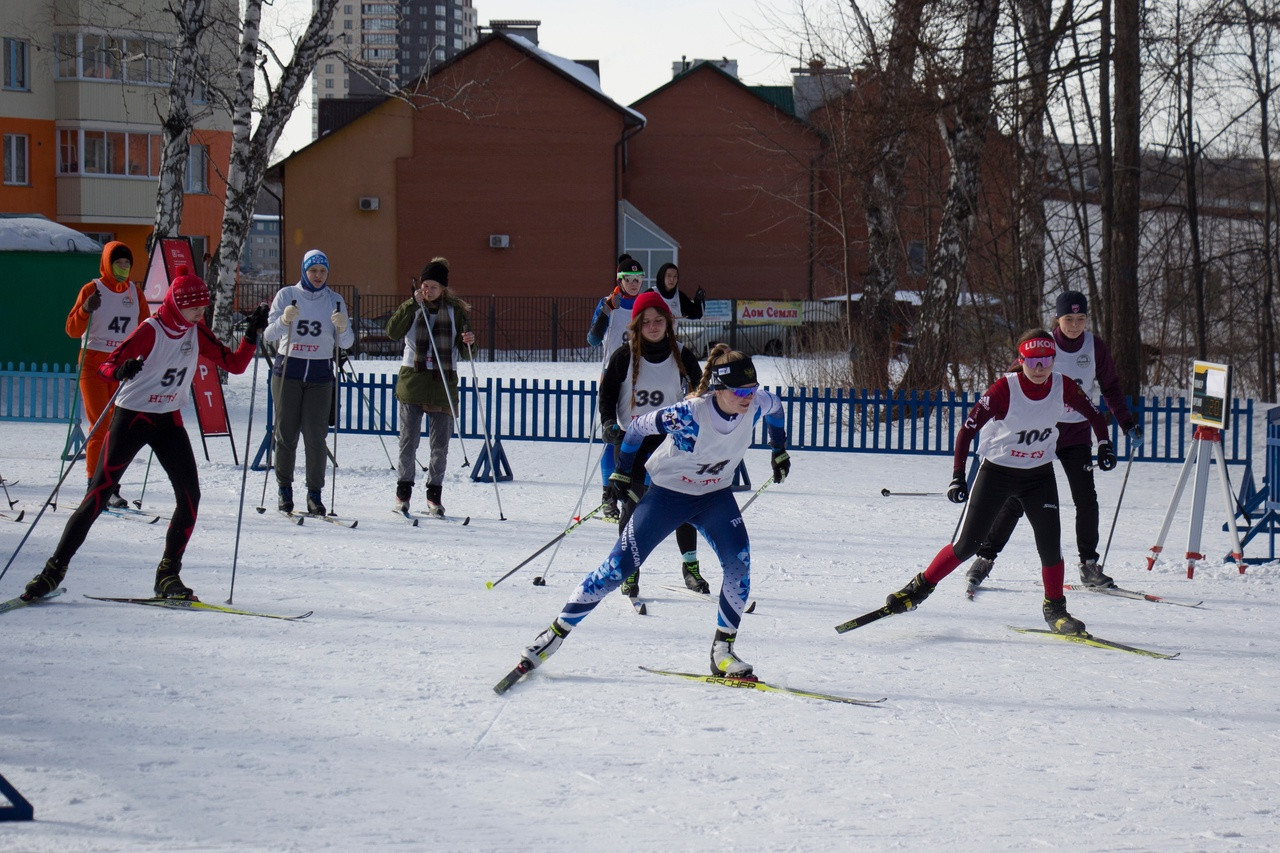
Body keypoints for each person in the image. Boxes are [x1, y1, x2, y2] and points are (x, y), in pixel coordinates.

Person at [512, 345, 792, 680]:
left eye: (752, 389)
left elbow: (776, 409)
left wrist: (779, 449)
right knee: (617, 569)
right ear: (719, 388)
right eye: (741, 391)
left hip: (715, 497)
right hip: (669, 496)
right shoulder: (689, 414)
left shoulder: (757, 402)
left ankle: (722, 652)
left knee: (739, 567)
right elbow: (638, 428)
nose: (749, 397)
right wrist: (622, 469)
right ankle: (553, 636)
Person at [21, 269, 268, 602]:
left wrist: (251, 335)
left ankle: (168, 575)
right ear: (179, 305)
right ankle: (53, 571)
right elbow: (107, 366)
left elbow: (235, 365)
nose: (201, 314)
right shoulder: (151, 330)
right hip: (133, 417)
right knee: (97, 496)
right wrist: (121, 370)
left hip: (168, 420)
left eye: (203, 309)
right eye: (196, 308)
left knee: (190, 497)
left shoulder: (196, 332)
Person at [877, 329, 1115, 635]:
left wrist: (1104, 444)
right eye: (1033, 361)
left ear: (1054, 360)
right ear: (1021, 360)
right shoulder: (1004, 389)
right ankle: (919, 588)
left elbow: (1095, 416)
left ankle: (1055, 609)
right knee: (967, 545)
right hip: (998, 473)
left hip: (1039, 475)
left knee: (1050, 547)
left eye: (1046, 360)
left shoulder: (1062, 385)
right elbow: (966, 431)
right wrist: (957, 477)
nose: (1040, 367)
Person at [966, 291, 1142, 590]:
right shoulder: (1042, 344)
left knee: (1086, 498)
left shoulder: (1094, 346)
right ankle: (985, 557)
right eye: (1069, 319)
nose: (1075, 325)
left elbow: (1111, 388)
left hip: (1075, 432)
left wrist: (1126, 423)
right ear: (1057, 319)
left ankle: (1088, 565)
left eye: (1081, 319)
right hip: (1041, 429)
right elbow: (1012, 376)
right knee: (1016, 499)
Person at [598, 290, 707, 597]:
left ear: (667, 323)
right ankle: (629, 571)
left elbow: (701, 390)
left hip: (671, 439)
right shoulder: (624, 355)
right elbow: (606, 396)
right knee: (633, 505)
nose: (653, 326)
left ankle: (691, 567)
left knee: (682, 503)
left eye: (659, 320)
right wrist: (608, 423)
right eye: (646, 322)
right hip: (633, 439)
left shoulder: (681, 354)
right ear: (637, 325)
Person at [262, 250, 355, 516]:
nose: (317, 276)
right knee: (286, 434)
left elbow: (346, 343)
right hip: (288, 369)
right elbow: (269, 335)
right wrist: (283, 320)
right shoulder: (286, 295)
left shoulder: (334, 300)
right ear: (304, 270)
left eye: (323, 271)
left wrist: (342, 326)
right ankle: (284, 489)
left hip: (319, 373)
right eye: (313, 270)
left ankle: (315, 493)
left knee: (316, 437)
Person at [385, 257, 475, 517]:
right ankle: (403, 493)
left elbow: (468, 352)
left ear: (443, 289)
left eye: (434, 287)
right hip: (413, 381)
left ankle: (434, 495)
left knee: (439, 445)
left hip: (442, 383)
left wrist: (470, 341)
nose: (428, 291)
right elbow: (392, 331)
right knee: (408, 442)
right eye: (425, 285)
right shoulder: (414, 306)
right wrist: (411, 305)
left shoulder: (456, 311)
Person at [65, 240, 151, 506]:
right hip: (93, 363)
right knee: (100, 426)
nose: (123, 268)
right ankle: (94, 485)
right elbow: (71, 329)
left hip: (121, 365)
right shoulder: (93, 289)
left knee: (119, 428)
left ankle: (111, 484)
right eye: (118, 263)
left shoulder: (135, 293)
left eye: (127, 264)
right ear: (107, 264)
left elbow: (146, 329)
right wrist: (85, 309)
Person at [587, 255, 647, 520]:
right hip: (613, 378)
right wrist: (606, 311)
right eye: (629, 280)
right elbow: (592, 339)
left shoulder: (647, 304)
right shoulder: (609, 303)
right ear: (620, 280)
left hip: (643, 380)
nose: (634, 284)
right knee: (612, 438)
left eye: (638, 280)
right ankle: (608, 496)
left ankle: (633, 494)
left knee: (638, 439)